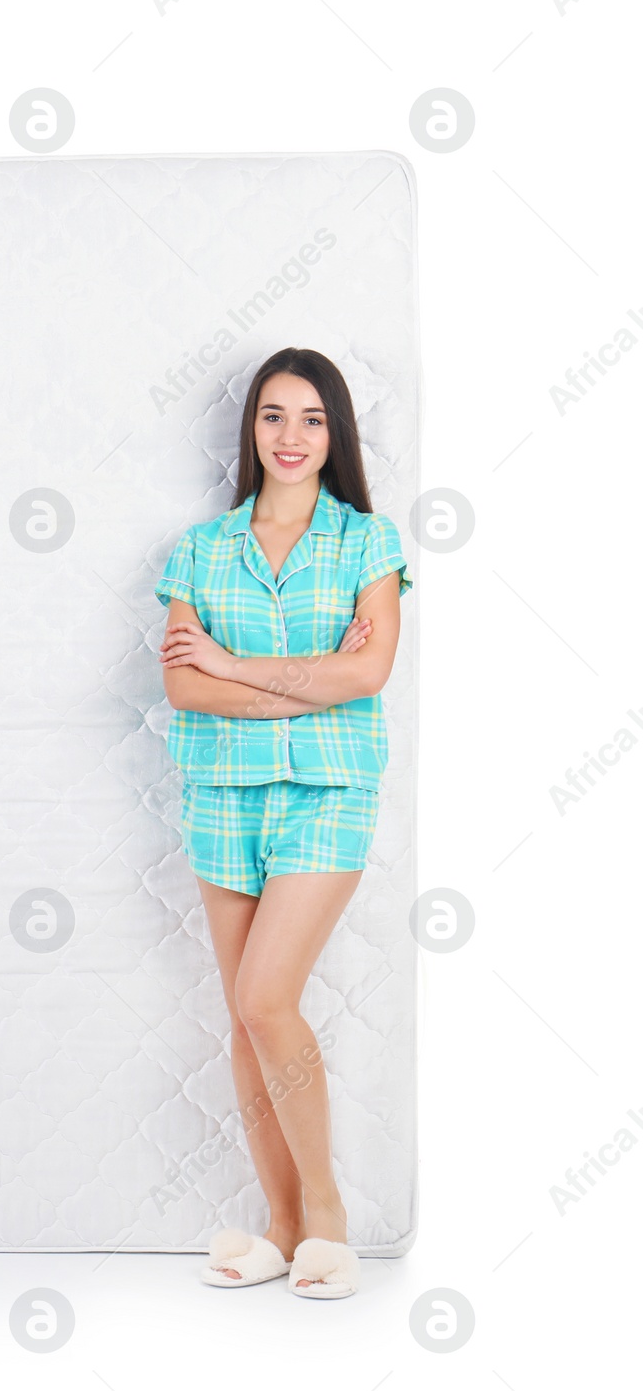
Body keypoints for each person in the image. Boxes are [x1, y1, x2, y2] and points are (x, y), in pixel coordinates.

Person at [153, 347, 413, 1300]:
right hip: (222, 796)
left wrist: (233, 663)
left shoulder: (366, 543)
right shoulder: (199, 548)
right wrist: (283, 680)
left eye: (311, 418)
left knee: (268, 997)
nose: (292, 436)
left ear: (335, 432)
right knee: (244, 1020)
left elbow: (367, 675)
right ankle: (282, 1226)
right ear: (251, 429)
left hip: (327, 794)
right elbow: (182, 684)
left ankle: (330, 1215)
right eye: (273, 416)